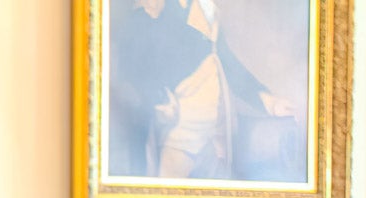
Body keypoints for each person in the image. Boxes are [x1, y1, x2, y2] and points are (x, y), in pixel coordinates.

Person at [108, 0, 299, 181]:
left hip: (213, 130)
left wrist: (269, 101)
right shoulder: (156, 10)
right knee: (166, 190)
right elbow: (140, 62)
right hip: (181, 126)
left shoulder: (205, 10)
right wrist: (159, 99)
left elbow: (229, 64)